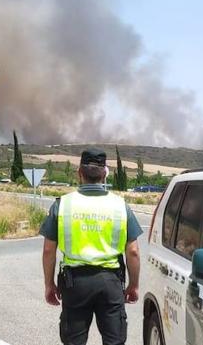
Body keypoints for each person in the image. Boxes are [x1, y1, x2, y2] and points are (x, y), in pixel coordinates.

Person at [40, 148, 143, 345]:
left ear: (79, 173)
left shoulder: (62, 205)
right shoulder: (120, 206)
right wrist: (134, 285)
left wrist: (49, 284)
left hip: (75, 284)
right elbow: (133, 251)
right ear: (105, 174)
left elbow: (48, 250)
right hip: (110, 283)